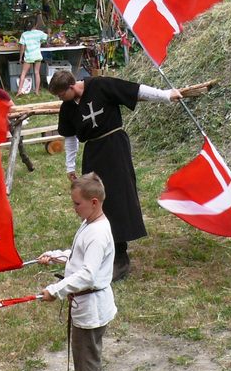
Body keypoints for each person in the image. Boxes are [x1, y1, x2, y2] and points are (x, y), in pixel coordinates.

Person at [49, 70, 182, 281]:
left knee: (118, 198)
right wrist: (70, 166)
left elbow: (136, 90)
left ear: (71, 86)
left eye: (61, 94)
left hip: (115, 147)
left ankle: (120, 257)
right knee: (95, 199)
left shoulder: (101, 85)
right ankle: (100, 248)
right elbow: (71, 137)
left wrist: (166, 95)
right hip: (93, 153)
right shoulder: (68, 107)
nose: (60, 99)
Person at [38, 173, 116, 371]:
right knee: (86, 359)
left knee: (87, 362)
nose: (74, 208)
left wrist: (56, 290)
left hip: (92, 309)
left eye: (77, 203)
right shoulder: (90, 223)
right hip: (86, 307)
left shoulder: (97, 234)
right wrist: (55, 256)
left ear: (94, 202)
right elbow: (78, 258)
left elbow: (87, 274)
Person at [17, 19, 49, 96]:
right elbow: (46, 38)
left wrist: (20, 57)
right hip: (37, 55)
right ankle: (37, 91)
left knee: (23, 73)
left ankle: (19, 91)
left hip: (29, 56)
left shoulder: (24, 34)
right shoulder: (39, 33)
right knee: (37, 73)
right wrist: (48, 33)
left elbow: (22, 47)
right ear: (35, 25)